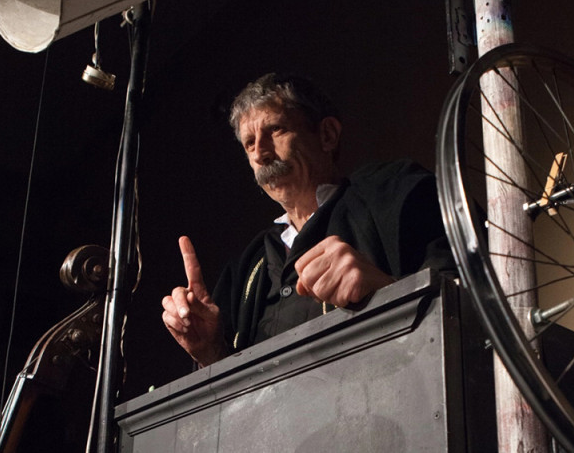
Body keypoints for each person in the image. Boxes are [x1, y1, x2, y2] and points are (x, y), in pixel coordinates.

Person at [161, 73, 454, 367]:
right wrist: (211, 352)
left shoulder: (395, 194)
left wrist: (385, 292)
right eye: (249, 143)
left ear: (327, 135)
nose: (261, 154)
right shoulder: (247, 268)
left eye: (275, 130)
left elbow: (469, 301)